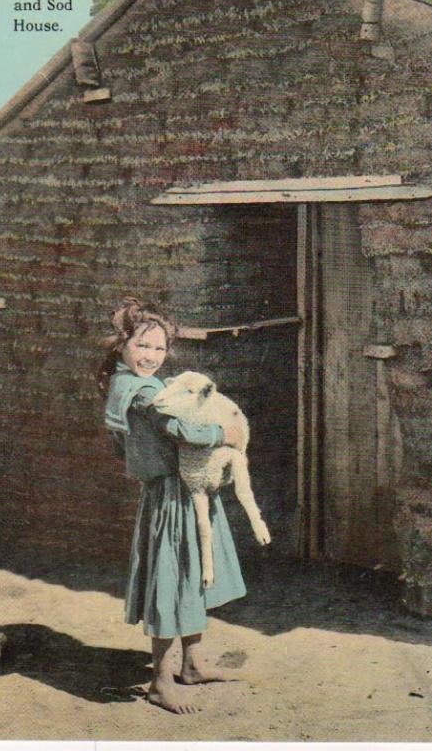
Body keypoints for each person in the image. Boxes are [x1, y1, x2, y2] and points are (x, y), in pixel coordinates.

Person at [98, 297, 247, 714]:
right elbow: (180, 428)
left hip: (180, 489)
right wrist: (225, 432)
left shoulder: (129, 384)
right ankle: (162, 680)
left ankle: (193, 664)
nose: (151, 356)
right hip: (170, 497)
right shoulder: (142, 390)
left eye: (159, 349)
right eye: (142, 346)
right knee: (172, 579)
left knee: (193, 572)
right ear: (122, 346)